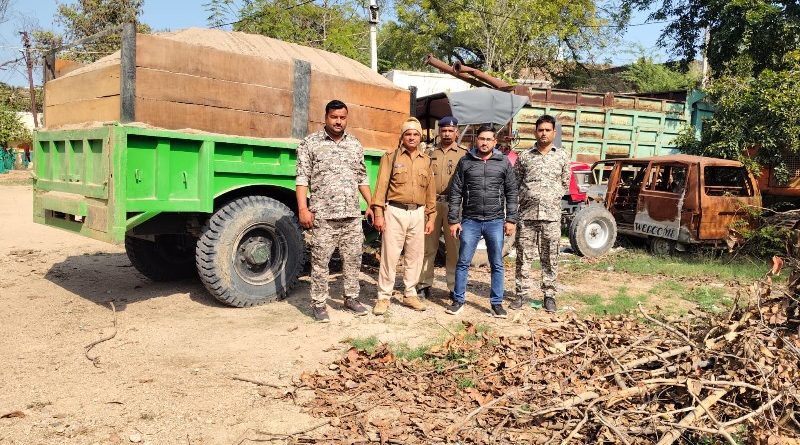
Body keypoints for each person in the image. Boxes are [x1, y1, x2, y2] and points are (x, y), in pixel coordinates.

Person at [295, 100, 374, 322]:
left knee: (353, 260)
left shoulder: (355, 145)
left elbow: (362, 178)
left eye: (342, 117)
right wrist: (303, 208)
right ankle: (319, 303)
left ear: (346, 118)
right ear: (326, 117)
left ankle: (351, 298)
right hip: (324, 216)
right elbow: (302, 178)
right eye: (334, 117)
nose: (338, 121)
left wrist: (371, 203)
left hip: (350, 215)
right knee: (321, 262)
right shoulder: (310, 143)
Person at [447, 125, 518, 318]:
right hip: (470, 220)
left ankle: (496, 303)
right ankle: (458, 300)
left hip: (495, 221)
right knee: (463, 262)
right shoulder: (466, 162)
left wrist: (510, 219)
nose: (484, 142)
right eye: (481, 139)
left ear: (495, 142)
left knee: (496, 263)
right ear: (476, 140)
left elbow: (512, 192)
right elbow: (455, 192)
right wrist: (454, 220)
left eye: (488, 139)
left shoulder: (503, 163)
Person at [371, 117, 436, 315]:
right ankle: (384, 297)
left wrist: (431, 217)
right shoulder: (390, 157)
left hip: (417, 213)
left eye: (416, 134)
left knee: (414, 256)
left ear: (420, 137)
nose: (412, 137)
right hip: (395, 212)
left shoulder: (426, 160)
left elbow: (430, 192)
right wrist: (379, 214)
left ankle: (410, 293)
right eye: (408, 134)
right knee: (390, 256)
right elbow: (381, 187)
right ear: (402, 136)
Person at [512, 114, 571, 313]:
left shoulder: (562, 156)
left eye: (547, 130)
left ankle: (549, 295)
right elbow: (515, 182)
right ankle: (521, 294)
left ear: (554, 133)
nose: (543, 133)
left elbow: (565, 182)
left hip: (551, 217)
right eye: (540, 130)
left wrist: (552, 197)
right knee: (523, 257)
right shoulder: (525, 156)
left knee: (550, 257)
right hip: (527, 216)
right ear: (535, 132)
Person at [416, 116, 468, 302]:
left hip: (454, 205)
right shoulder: (429, 152)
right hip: (431, 204)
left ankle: (454, 287)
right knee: (427, 246)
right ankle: (423, 284)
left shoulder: (464, 154)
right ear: (439, 131)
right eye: (443, 130)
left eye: (450, 131)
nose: (446, 134)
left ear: (456, 132)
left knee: (453, 248)